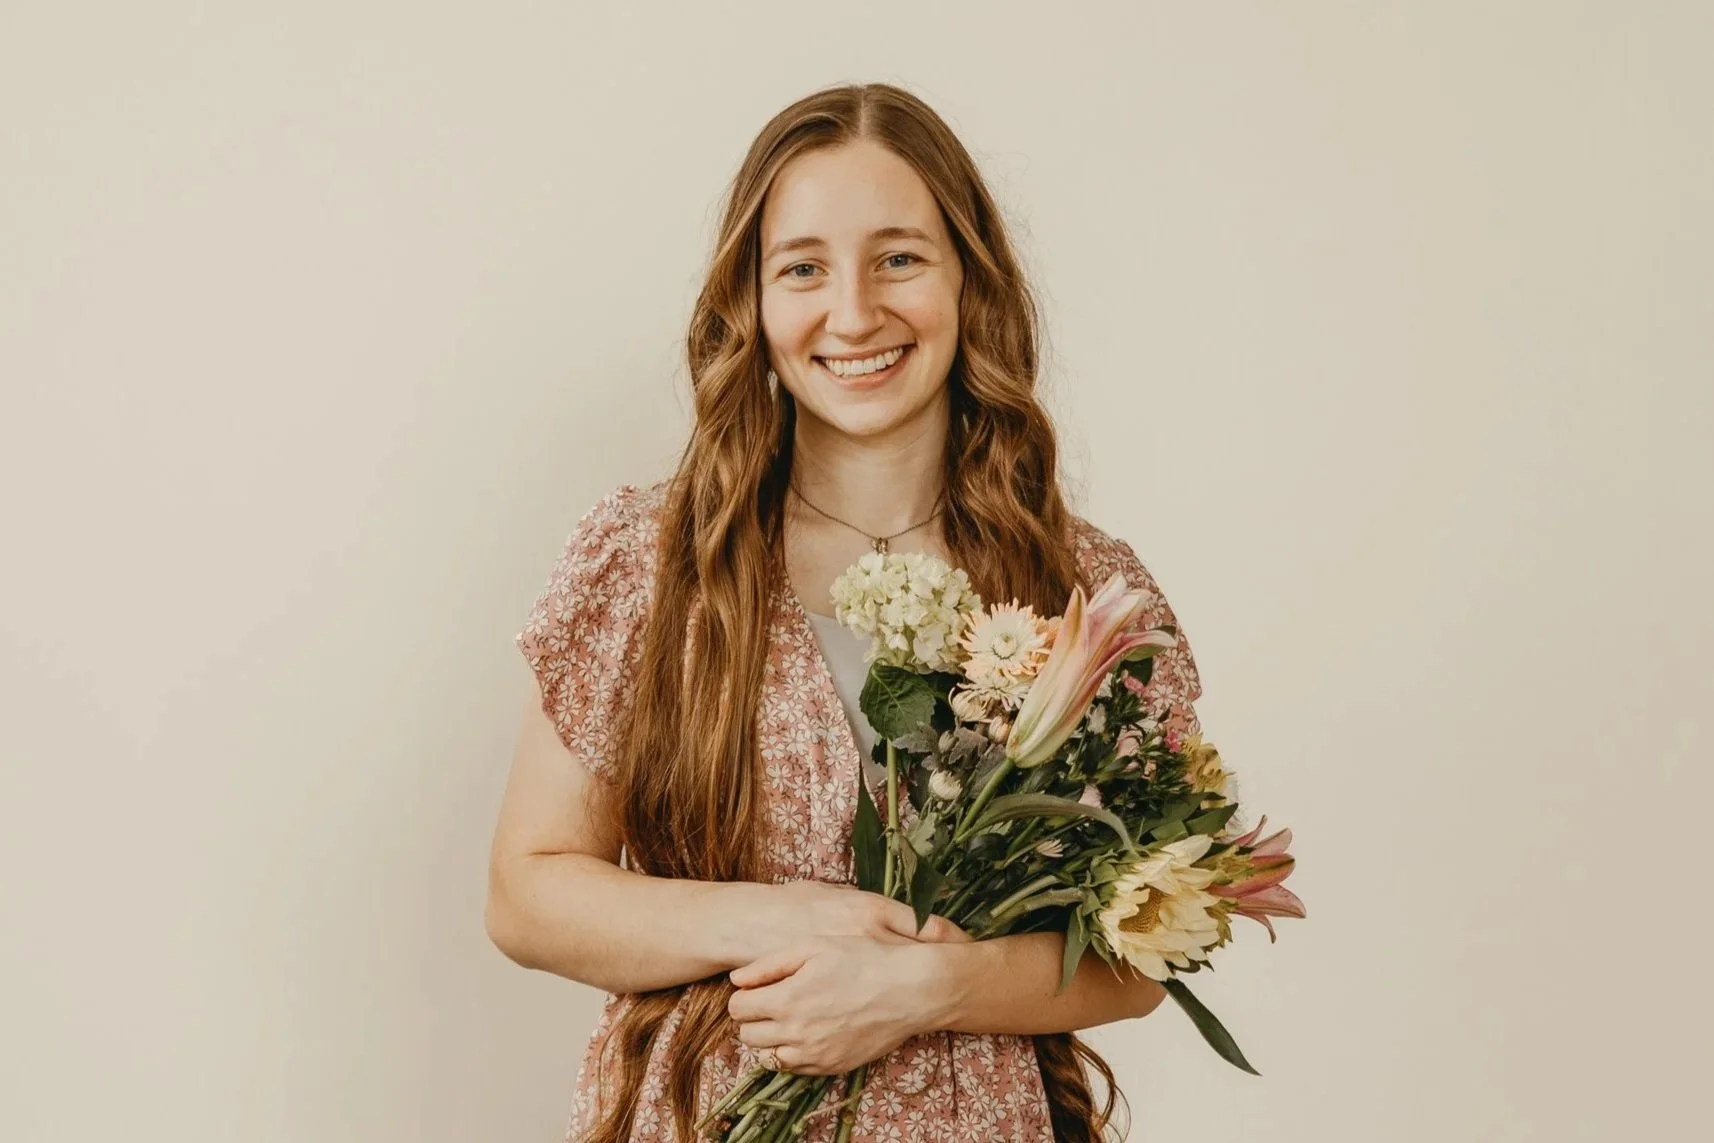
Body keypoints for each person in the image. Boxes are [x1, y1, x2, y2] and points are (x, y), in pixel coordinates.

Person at [486, 82, 1205, 1143]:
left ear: (971, 280)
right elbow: (528, 892)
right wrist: (783, 918)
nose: (854, 312)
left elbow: (1146, 948)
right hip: (702, 1120)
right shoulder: (653, 562)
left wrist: (923, 990)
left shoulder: (1082, 594)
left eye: (900, 257)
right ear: (755, 302)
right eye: (804, 269)